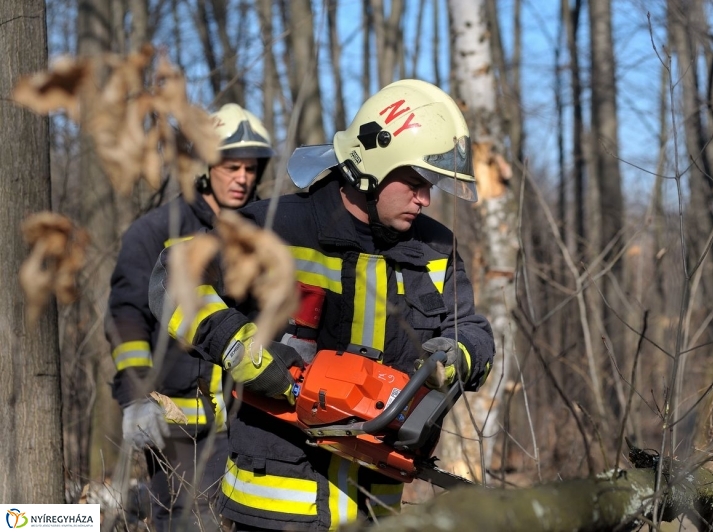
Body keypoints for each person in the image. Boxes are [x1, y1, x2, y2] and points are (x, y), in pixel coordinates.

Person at [149, 79, 495, 531]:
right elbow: (170, 278)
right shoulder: (276, 228)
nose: (424, 199)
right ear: (371, 168)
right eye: (413, 182)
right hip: (276, 508)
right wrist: (239, 346)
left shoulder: (434, 248)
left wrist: (455, 356)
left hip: (377, 505)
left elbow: (473, 330)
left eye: (429, 185)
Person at [105, 103, 275, 531]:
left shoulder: (263, 235)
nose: (242, 178)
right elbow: (126, 316)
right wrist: (137, 397)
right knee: (184, 521)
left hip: (249, 420)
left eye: (251, 169)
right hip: (177, 425)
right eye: (231, 166)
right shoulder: (155, 232)